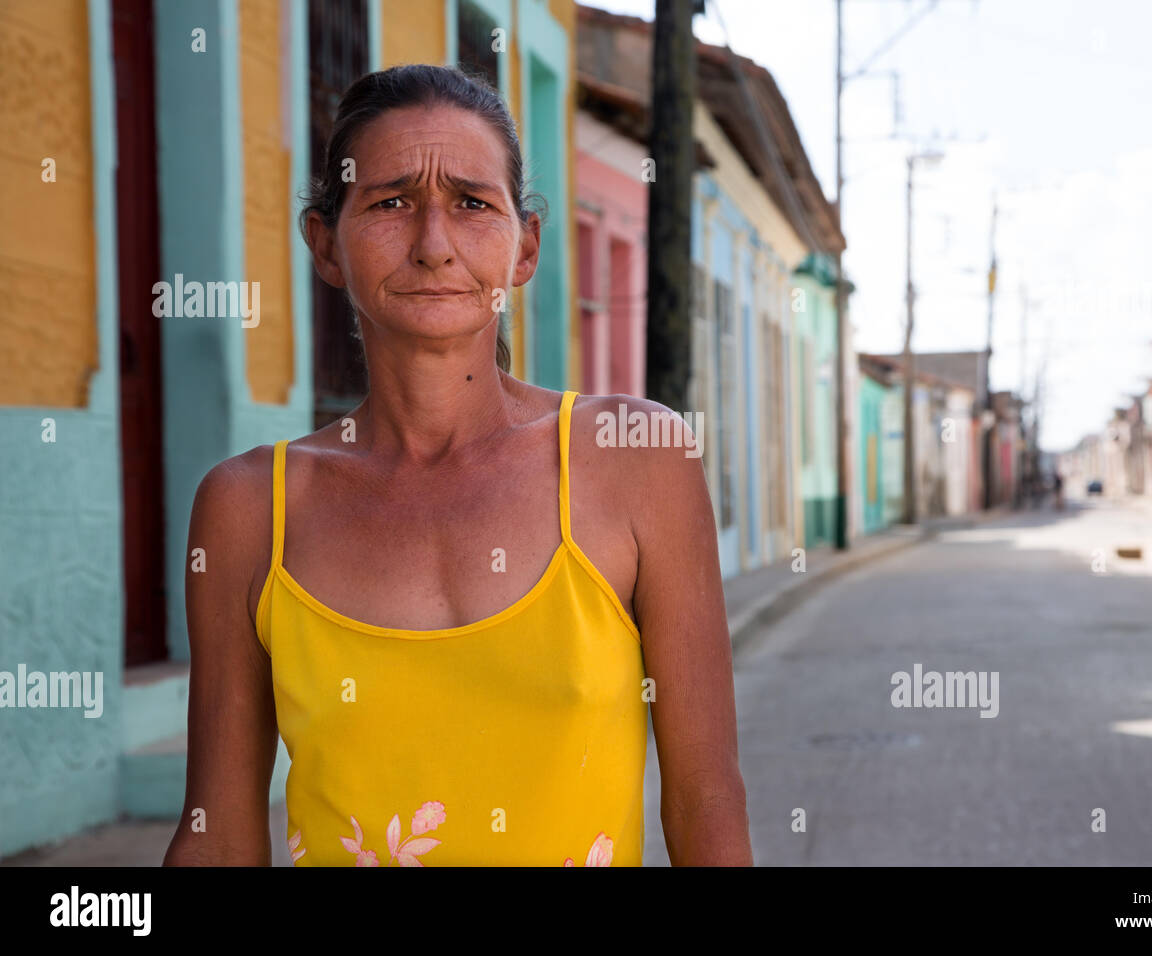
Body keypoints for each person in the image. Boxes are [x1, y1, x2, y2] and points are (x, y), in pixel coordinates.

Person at [163, 65, 751, 866]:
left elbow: (706, 802)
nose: (433, 244)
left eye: (473, 203)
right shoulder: (248, 508)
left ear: (525, 247)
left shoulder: (633, 461)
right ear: (325, 243)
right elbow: (219, 834)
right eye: (390, 201)